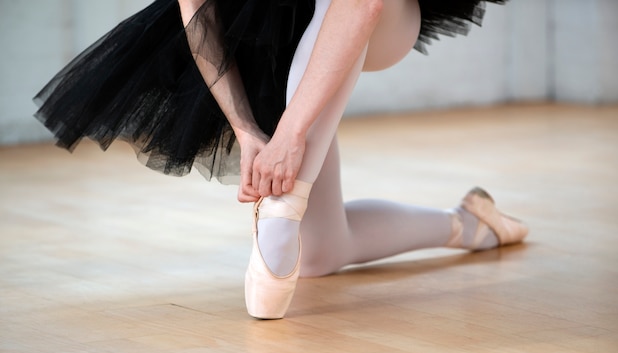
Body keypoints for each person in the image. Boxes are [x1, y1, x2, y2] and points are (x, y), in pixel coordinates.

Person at [34, 0, 527, 320]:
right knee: (320, 255)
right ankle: (467, 223)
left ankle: (280, 212)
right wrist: (247, 128)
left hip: (378, 15)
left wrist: (290, 136)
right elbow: (197, 14)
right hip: (276, 47)